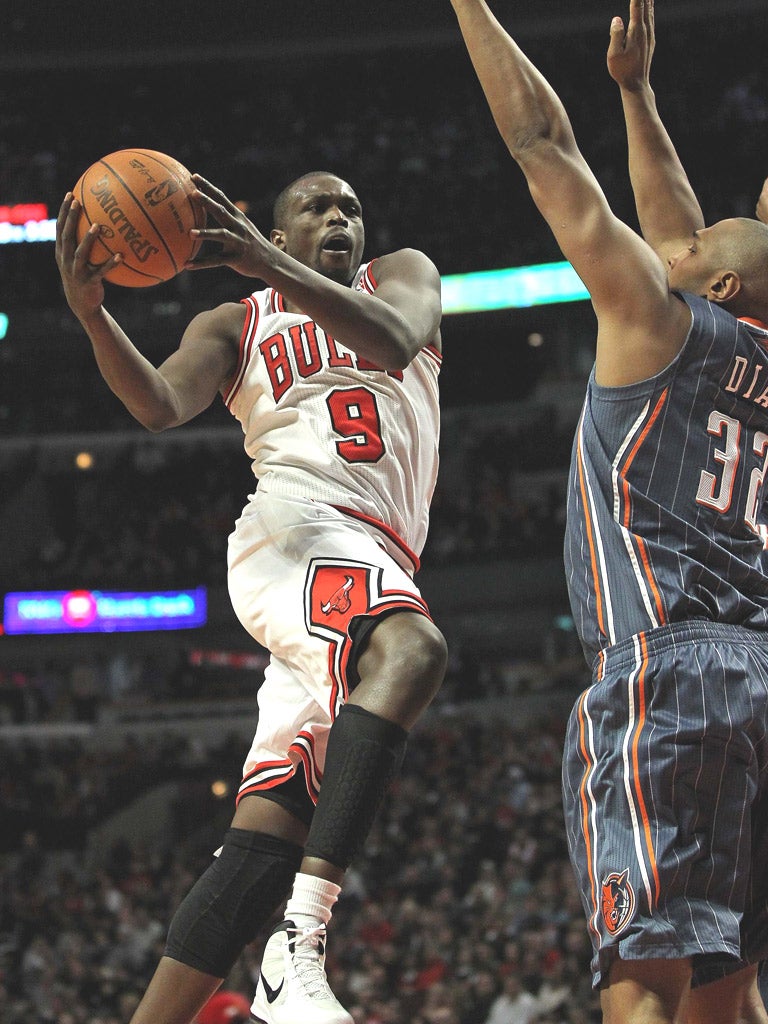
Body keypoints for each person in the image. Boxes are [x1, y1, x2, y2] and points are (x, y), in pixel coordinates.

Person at [55, 169, 447, 1024]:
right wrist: (93, 314)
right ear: (279, 226)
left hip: (375, 556)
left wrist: (267, 260)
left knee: (266, 842)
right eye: (318, 208)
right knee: (412, 651)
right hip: (294, 529)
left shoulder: (403, 275)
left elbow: (392, 343)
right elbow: (160, 404)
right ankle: (296, 949)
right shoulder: (235, 319)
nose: (341, 217)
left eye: (351, 205)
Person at [447, 1, 768, 1022]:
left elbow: (542, 142)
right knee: (730, 980)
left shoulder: (656, 320)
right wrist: (636, 91)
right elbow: (681, 224)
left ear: (718, 281)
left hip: (667, 669)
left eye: (704, 237)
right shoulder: (741, 337)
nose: (672, 235)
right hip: (758, 677)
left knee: (645, 979)